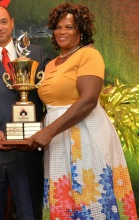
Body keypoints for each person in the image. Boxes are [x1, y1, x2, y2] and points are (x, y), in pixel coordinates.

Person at [26, 3, 138, 219]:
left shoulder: (89, 55)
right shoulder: (51, 64)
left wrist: (48, 132)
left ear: (81, 30)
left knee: (91, 193)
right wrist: (34, 133)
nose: (62, 32)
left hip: (85, 133)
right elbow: (52, 106)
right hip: (58, 140)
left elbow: (87, 101)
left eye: (69, 27)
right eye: (58, 27)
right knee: (65, 197)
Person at [0, 5, 50, 220]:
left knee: (30, 213)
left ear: (12, 22)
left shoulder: (36, 53)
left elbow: (49, 95)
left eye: (3, 21)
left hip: (28, 151)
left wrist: (43, 130)